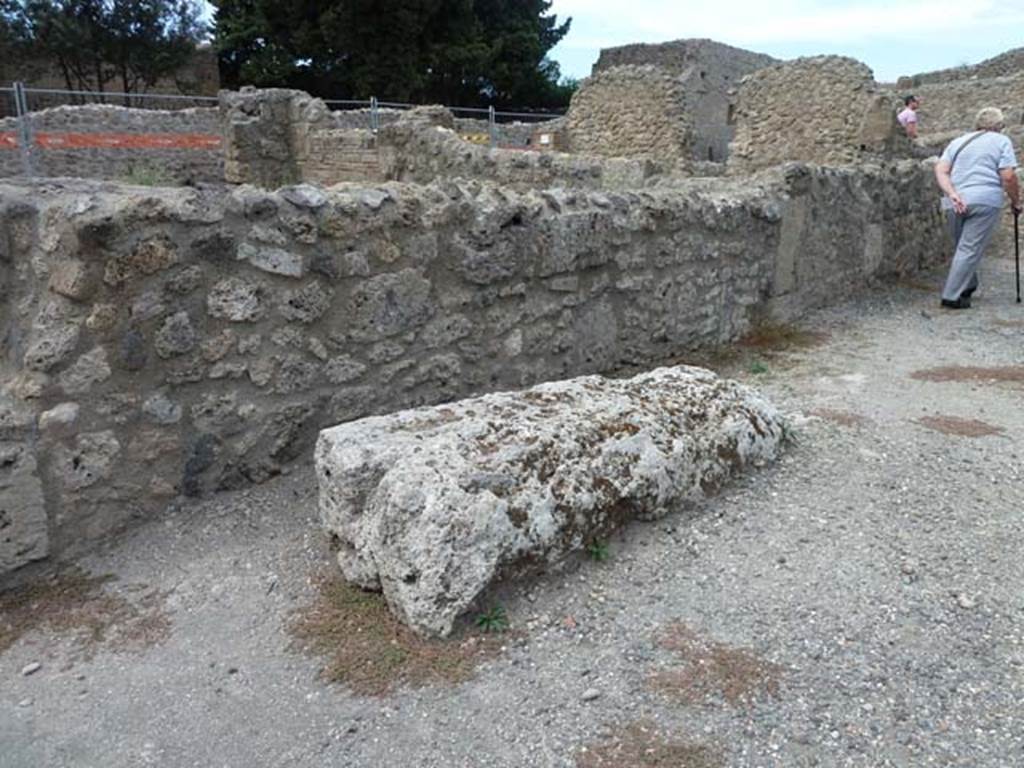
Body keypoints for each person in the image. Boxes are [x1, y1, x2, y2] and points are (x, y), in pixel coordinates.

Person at [934, 107, 1022, 309]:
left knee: (962, 247)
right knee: (969, 248)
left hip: (954, 200)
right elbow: (1008, 176)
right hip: (984, 199)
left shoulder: (957, 142)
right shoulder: (1001, 141)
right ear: (1000, 125)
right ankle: (952, 296)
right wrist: (1016, 202)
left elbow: (941, 169)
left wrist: (952, 193)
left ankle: (968, 285)